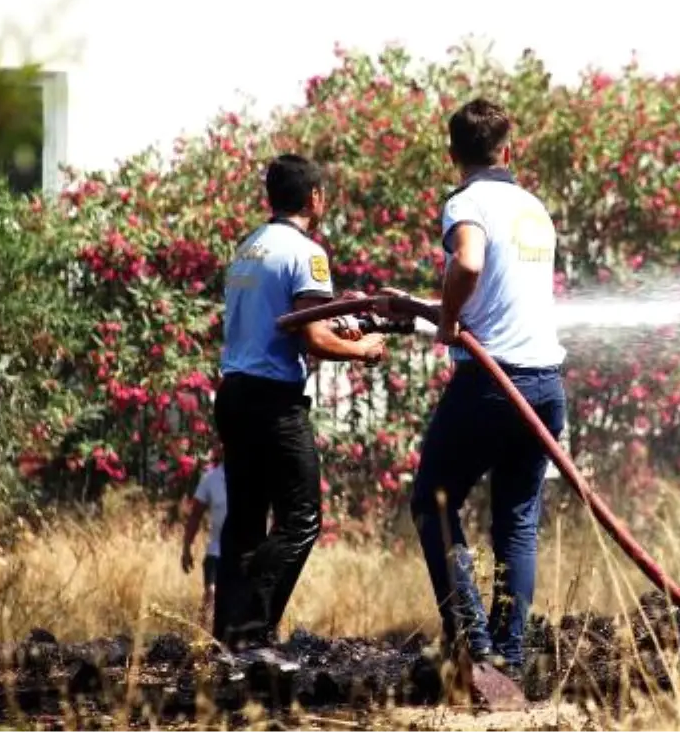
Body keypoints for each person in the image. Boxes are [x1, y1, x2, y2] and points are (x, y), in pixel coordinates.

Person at [406, 98, 567, 683]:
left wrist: (446, 322)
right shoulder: (533, 208)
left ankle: (473, 643)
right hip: (545, 385)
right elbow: (502, 294)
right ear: (508, 148)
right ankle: (511, 657)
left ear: (453, 154)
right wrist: (425, 308)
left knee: (432, 500)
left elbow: (469, 265)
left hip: (493, 382)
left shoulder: (466, 201)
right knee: (516, 522)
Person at [214, 153, 388, 665]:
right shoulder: (307, 253)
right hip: (274, 403)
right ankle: (255, 635)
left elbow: (285, 321)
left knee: (244, 521)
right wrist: (363, 349)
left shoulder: (248, 248)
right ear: (315, 198)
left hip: (235, 394)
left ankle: (230, 642)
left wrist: (342, 323)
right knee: (301, 518)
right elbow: (311, 336)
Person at [181, 461, 227, 631]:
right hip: (216, 551)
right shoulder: (211, 479)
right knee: (211, 594)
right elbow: (195, 516)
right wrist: (186, 548)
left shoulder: (255, 475)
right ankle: (201, 640)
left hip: (246, 554)